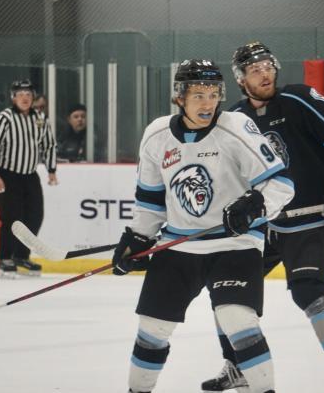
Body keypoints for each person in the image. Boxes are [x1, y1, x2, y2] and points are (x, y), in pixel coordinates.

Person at [112, 59, 295, 393]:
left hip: (235, 245)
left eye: (213, 93)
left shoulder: (236, 127)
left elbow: (281, 184)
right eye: (198, 94)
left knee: (238, 321)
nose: (208, 102)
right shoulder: (156, 135)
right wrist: (138, 239)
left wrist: (255, 204)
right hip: (178, 246)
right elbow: (151, 201)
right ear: (180, 97)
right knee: (152, 328)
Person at [200, 42, 324, 393]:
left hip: (308, 222)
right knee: (227, 289)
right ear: (240, 79)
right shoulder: (234, 119)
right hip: (265, 225)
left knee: (310, 294)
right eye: (254, 70)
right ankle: (238, 367)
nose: (264, 74)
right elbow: (227, 178)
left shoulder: (299, 98)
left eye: (267, 66)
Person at [0, 79, 58, 278]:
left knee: (35, 216)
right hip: (8, 175)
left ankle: (21, 256)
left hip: (30, 175)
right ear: (13, 98)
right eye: (20, 94)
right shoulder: (4, 118)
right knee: (11, 218)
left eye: (28, 94)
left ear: (33, 97)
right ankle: (5, 257)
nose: (24, 98)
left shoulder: (40, 118)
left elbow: (49, 145)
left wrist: (51, 170)